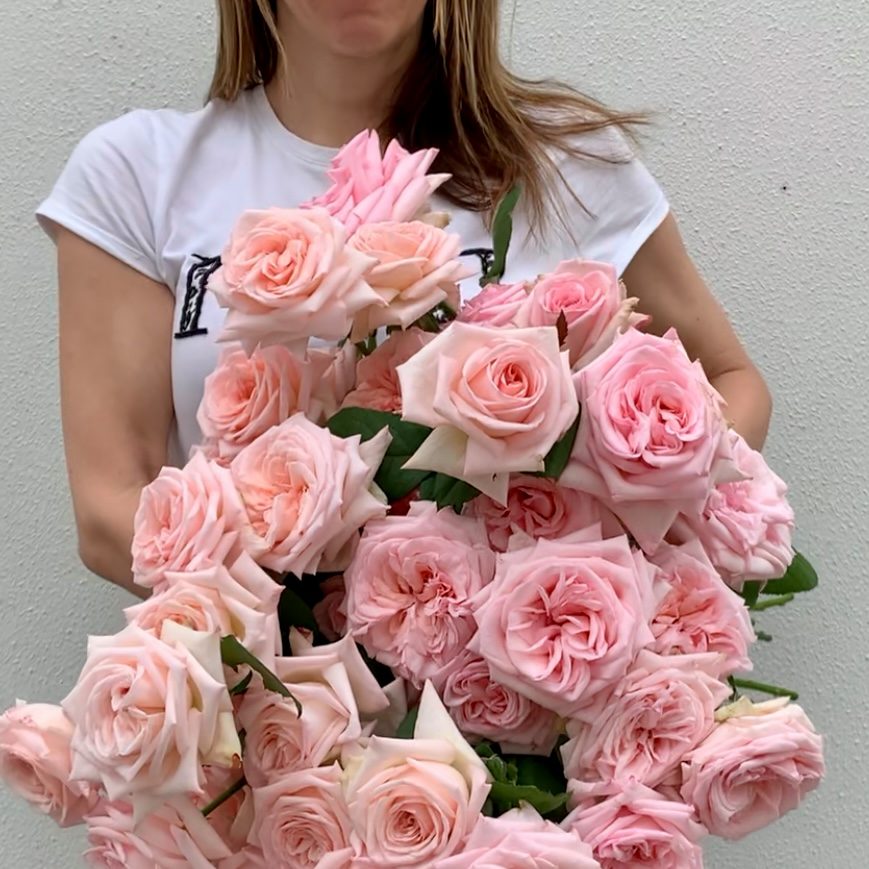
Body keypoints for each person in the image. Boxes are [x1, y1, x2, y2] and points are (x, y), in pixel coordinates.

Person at [36, 0, 771, 596]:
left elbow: (730, 383)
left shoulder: (571, 168)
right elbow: (110, 511)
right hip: (267, 741)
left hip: (532, 719)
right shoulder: (139, 174)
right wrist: (314, 606)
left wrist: (615, 544)